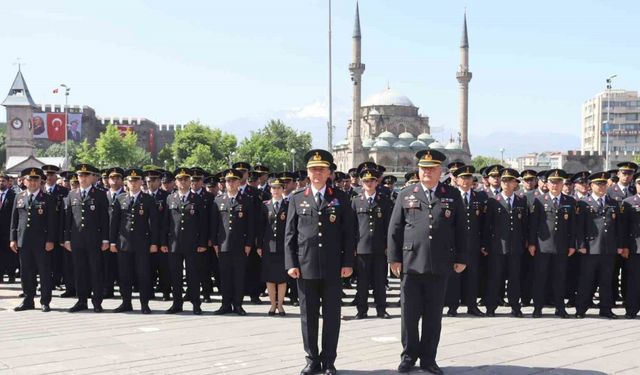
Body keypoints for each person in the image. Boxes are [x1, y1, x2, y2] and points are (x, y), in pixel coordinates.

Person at [388, 149, 466, 375]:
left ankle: (429, 358)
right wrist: (394, 258)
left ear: (440, 171)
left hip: (439, 262)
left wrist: (461, 257)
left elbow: (461, 229)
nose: (427, 172)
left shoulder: (451, 194)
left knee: (433, 315)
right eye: (424, 168)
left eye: (432, 168)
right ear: (418, 170)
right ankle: (408, 356)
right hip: (411, 262)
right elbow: (395, 228)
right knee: (409, 315)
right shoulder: (406, 193)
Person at [285, 149, 355, 375]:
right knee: (308, 316)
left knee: (332, 316)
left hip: (334, 267)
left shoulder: (341, 198)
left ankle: (329, 361)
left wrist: (348, 263)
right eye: (313, 169)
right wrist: (291, 263)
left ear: (329, 173)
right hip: (305, 267)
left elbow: (349, 234)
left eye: (321, 169)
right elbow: (290, 235)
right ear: (308, 172)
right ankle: (312, 359)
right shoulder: (297, 198)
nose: (317, 173)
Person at [528, 169, 576, 318]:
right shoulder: (540, 200)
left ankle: (560, 308)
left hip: (561, 247)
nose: (555, 185)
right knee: (540, 278)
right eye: (552, 182)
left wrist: (572, 244)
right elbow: (533, 224)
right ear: (547, 184)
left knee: (560, 279)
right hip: (543, 246)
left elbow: (573, 226)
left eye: (558, 182)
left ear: (563, 184)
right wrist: (531, 243)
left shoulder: (570, 201)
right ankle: (538, 308)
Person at [109, 168, 159, 314]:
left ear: (141, 182)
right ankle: (126, 303)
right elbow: (114, 223)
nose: (134, 183)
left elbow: (154, 223)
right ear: (126, 182)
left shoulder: (148, 199)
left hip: (142, 243)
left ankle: (144, 304)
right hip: (124, 243)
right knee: (124, 275)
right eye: (131, 180)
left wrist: (154, 243)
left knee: (143, 274)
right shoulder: (120, 199)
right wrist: (112, 242)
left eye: (136, 180)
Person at [575, 172, 623, 319]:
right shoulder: (584, 203)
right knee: (586, 280)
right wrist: (581, 245)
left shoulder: (613, 203)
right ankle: (581, 309)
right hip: (590, 248)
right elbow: (579, 227)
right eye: (598, 184)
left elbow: (619, 227)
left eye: (603, 184)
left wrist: (619, 245)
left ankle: (606, 309)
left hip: (608, 248)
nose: (601, 187)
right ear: (591, 186)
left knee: (606, 280)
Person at [161, 167, 208, 315]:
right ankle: (177, 303)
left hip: (192, 243)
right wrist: (163, 242)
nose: (183, 182)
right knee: (175, 274)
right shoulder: (170, 198)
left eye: (186, 179)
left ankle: (196, 304)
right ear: (175, 182)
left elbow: (203, 224)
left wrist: (202, 243)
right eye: (180, 179)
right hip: (174, 243)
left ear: (190, 181)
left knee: (193, 274)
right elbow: (166, 223)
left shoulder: (197, 199)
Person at [64, 163, 110, 313]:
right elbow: (68, 219)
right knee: (79, 271)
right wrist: (67, 239)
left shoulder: (100, 194)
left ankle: (97, 302)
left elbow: (104, 219)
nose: (82, 178)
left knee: (95, 271)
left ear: (92, 177)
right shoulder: (72, 194)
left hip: (94, 239)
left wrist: (105, 239)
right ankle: (81, 300)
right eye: (80, 175)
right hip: (77, 240)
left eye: (85, 175)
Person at [483, 168, 527, 318]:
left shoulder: (521, 200)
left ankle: (515, 306)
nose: (506, 184)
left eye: (510, 181)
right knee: (495, 278)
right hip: (497, 247)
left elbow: (524, 225)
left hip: (515, 247)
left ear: (515, 183)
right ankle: (491, 307)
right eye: (504, 181)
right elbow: (487, 226)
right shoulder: (493, 201)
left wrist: (525, 243)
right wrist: (486, 245)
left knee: (515, 278)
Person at [10, 168, 57, 312]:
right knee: (26, 272)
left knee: (44, 272)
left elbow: (52, 222)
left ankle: (45, 301)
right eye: (30, 180)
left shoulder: (47, 198)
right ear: (24, 181)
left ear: (40, 181)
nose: (33, 182)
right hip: (24, 241)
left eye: (36, 180)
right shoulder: (19, 197)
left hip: (42, 242)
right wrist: (13, 239)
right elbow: (14, 220)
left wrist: (50, 240)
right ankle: (28, 299)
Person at [444, 165, 487, 317]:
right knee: (454, 277)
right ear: (456, 179)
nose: (467, 181)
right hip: (455, 244)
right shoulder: (451, 196)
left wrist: (483, 243)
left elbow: (484, 223)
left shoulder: (480, 197)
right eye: (463, 177)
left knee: (472, 276)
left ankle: (472, 305)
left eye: (469, 177)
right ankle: (453, 306)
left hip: (473, 244)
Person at [212, 169, 255, 316]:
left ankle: (238, 304)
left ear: (239, 182)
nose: (230, 183)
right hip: (223, 245)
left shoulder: (246, 200)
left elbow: (251, 225)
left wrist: (249, 244)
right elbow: (214, 224)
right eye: (228, 181)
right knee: (224, 277)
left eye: (233, 180)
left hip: (240, 245)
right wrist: (215, 244)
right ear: (224, 183)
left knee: (239, 276)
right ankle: (225, 304)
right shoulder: (218, 200)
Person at [352, 168, 392, 320]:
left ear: (377, 182)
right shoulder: (356, 201)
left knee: (379, 281)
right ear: (362, 183)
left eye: (372, 181)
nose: (369, 183)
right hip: (361, 248)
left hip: (380, 248)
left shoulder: (384, 201)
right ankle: (361, 310)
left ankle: (381, 309)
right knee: (362, 283)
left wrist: (389, 245)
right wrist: (352, 247)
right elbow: (352, 227)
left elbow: (389, 225)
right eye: (366, 181)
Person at [257, 174, 289, 316]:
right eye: (273, 188)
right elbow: (260, 228)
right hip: (268, 246)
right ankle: (272, 305)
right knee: (269, 277)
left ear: (283, 189)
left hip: (283, 246)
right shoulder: (265, 206)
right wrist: (259, 245)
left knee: (282, 278)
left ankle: (280, 305)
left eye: (278, 188)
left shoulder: (288, 205)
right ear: (270, 190)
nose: (276, 190)